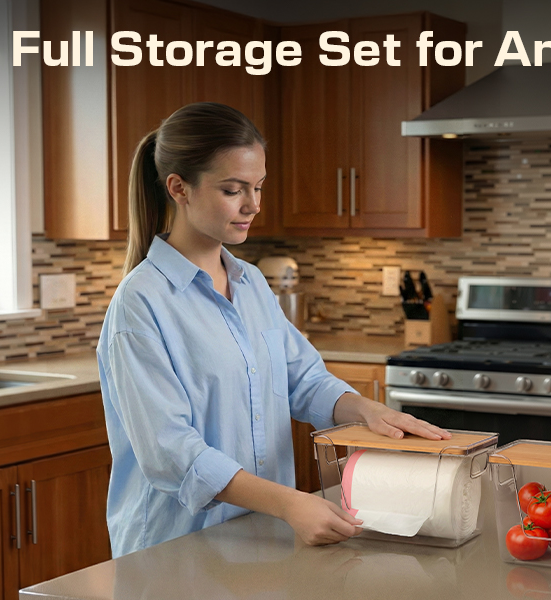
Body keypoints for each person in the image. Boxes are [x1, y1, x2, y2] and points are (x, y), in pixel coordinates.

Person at [97, 102, 450, 558]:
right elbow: (171, 453)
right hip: (177, 549)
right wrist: (290, 504)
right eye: (233, 189)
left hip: (262, 537)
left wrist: (365, 410)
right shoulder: (140, 304)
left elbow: (302, 379)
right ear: (178, 188)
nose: (253, 205)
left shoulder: (252, 283)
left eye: (258, 187)